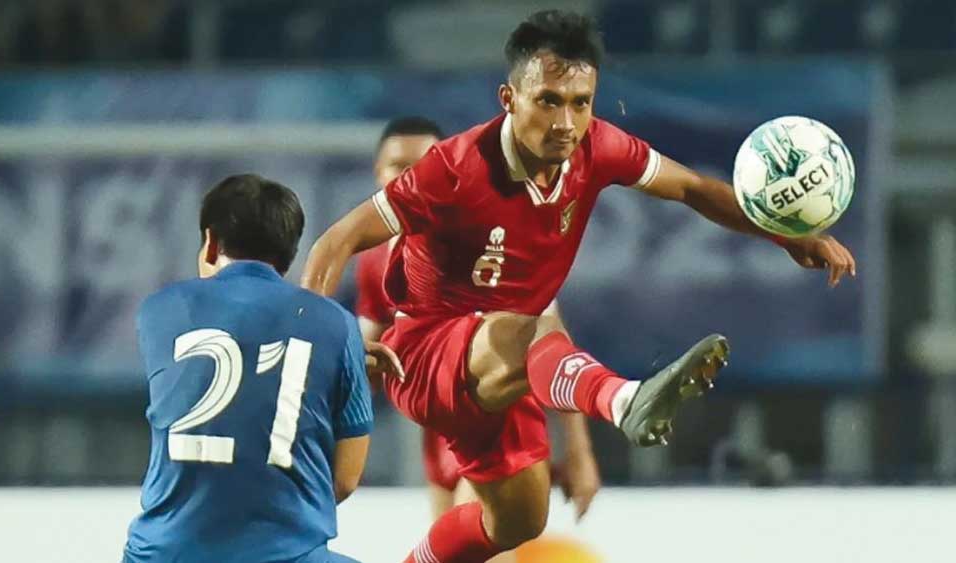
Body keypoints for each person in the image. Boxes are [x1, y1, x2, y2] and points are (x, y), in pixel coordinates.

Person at [303, 10, 856, 562]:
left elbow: (691, 187)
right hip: (426, 353)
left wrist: (785, 235)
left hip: (507, 366)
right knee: (526, 329)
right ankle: (623, 399)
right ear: (509, 98)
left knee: (518, 519)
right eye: (548, 101)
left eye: (581, 102)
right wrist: (309, 349)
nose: (566, 122)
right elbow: (335, 241)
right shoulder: (454, 168)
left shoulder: (599, 148)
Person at [355, 118, 601, 529]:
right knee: (450, 547)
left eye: (423, 164)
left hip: (499, 426)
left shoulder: (492, 233)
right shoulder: (375, 260)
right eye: (398, 166)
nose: (410, 177)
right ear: (379, 174)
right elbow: (367, 363)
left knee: (480, 545)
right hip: (440, 434)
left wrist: (578, 451)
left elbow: (551, 340)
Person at [124, 174, 373, 563]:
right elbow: (345, 478)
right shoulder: (338, 325)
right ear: (289, 253)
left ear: (210, 242)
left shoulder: (158, 310)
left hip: (162, 555)